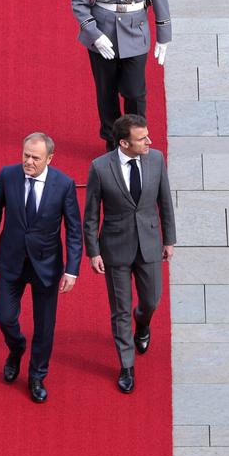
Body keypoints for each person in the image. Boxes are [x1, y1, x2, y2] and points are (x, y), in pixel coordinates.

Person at [0, 133, 83, 403]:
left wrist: (72, 270)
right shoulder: (7, 175)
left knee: (44, 327)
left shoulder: (63, 184)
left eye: (35, 158)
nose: (28, 161)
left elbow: (74, 229)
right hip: (11, 260)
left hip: (46, 266)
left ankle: (37, 375)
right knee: (4, 317)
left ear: (49, 158)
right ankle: (16, 348)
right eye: (25, 154)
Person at [83, 114, 176, 393]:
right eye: (142, 138)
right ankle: (126, 364)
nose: (149, 141)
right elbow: (91, 214)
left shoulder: (156, 159)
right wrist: (93, 251)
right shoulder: (100, 167)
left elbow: (165, 201)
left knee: (151, 300)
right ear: (124, 143)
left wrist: (169, 239)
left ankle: (143, 323)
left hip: (149, 243)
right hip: (115, 248)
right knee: (120, 310)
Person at [71, 0, 171, 149]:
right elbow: (79, 1)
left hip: (135, 34)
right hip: (103, 36)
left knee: (135, 93)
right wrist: (94, 35)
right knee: (106, 93)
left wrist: (163, 36)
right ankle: (113, 143)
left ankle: (137, 139)